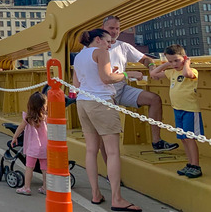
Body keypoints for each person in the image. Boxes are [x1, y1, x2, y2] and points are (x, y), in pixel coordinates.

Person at [73, 29, 142, 211]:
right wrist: (129, 74)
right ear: (98, 39)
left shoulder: (79, 56)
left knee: (91, 150)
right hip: (101, 103)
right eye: (108, 41)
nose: (110, 45)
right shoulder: (101, 52)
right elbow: (107, 78)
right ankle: (117, 199)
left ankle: (96, 194)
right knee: (112, 152)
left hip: (83, 103)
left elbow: (76, 85)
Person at [102, 16, 178, 152]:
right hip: (103, 94)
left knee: (154, 99)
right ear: (103, 29)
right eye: (111, 28)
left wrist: (150, 66)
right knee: (107, 133)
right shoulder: (94, 47)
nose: (115, 31)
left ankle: (157, 142)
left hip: (121, 89)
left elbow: (145, 59)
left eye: (118, 28)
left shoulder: (123, 46)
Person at [150, 45, 203, 178]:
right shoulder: (171, 72)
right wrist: (166, 64)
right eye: (171, 61)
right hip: (178, 110)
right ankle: (190, 163)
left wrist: (187, 63)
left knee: (190, 138)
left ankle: (196, 165)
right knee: (183, 138)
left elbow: (187, 74)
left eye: (176, 60)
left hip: (190, 110)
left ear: (184, 59)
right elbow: (154, 74)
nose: (174, 64)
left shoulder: (192, 71)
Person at [11, 92, 48, 196]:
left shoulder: (28, 117)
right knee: (45, 168)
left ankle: (27, 187)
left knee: (29, 167)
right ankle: (45, 187)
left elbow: (21, 128)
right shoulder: (45, 117)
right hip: (45, 146)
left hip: (32, 147)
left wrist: (15, 137)